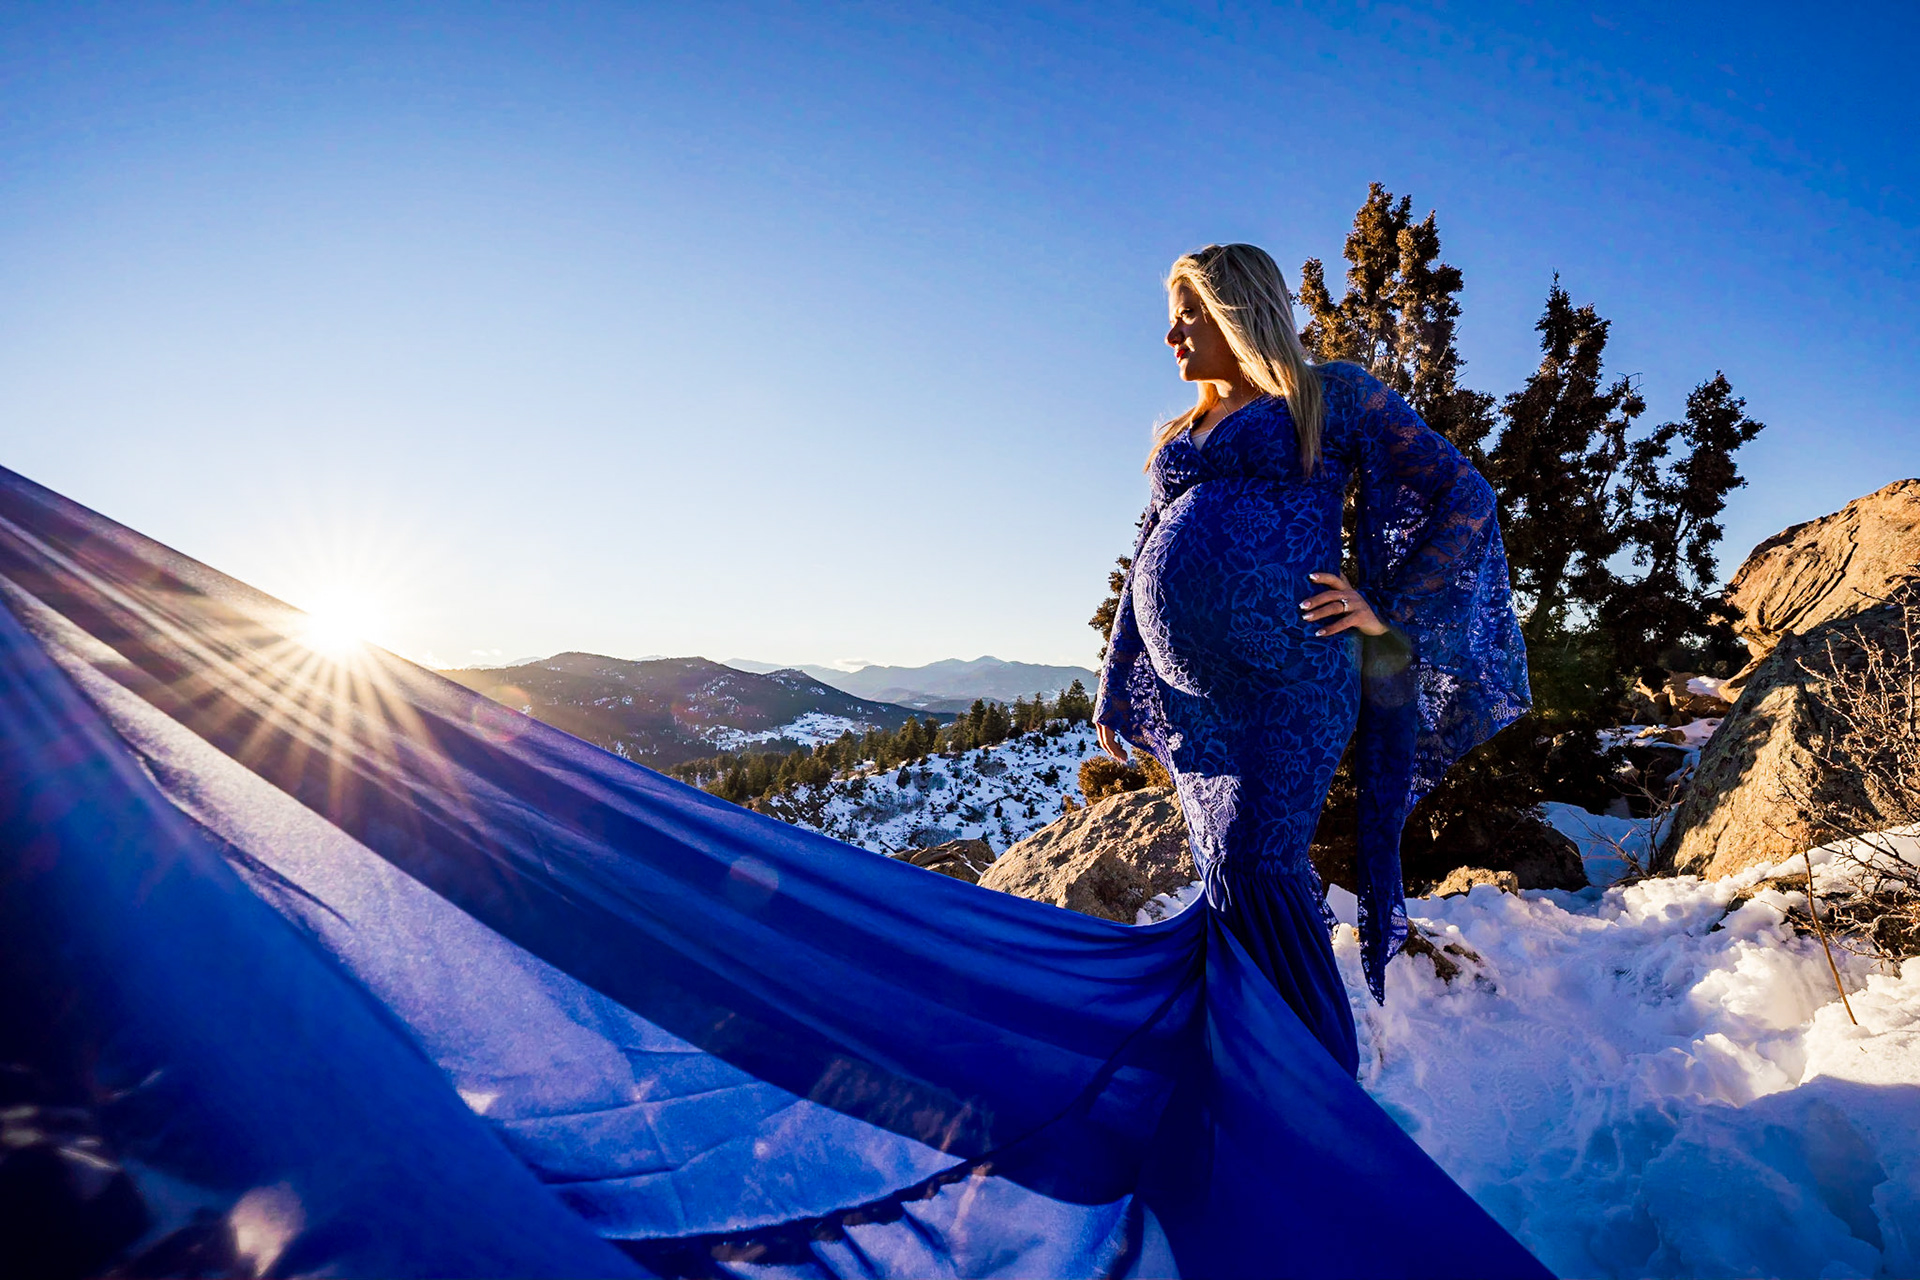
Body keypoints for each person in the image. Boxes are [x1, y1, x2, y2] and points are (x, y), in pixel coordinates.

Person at [1094, 243, 1531, 1075]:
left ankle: (1319, 1088)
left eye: (1189, 315)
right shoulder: (1183, 432)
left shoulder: (1328, 395)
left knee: (1259, 865)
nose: (1171, 336)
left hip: (1293, 684)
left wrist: (1389, 608)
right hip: (1199, 706)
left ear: (1238, 313)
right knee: (1229, 879)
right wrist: (1118, 680)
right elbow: (1149, 549)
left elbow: (1463, 493)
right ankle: (1247, 1074)